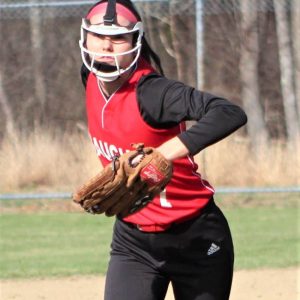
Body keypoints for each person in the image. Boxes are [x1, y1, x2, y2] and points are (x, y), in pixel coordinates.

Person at [79, 0, 247, 299]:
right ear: (84, 36)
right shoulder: (90, 77)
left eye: (118, 37)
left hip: (195, 237)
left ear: (135, 41)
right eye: (98, 35)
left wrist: (162, 154)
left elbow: (229, 113)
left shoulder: (153, 92)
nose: (106, 46)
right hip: (133, 241)